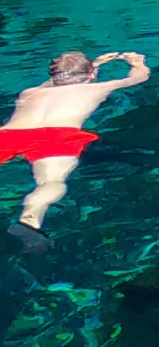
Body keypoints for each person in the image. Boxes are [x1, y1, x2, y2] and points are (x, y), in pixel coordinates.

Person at [1, 51, 149, 251]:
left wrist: (94, 64)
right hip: (56, 137)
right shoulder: (99, 88)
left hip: (9, 135)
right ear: (91, 76)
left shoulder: (30, 92)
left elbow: (57, 82)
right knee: (51, 182)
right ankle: (29, 221)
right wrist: (137, 62)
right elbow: (138, 78)